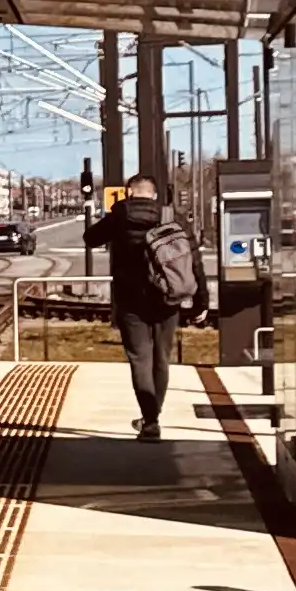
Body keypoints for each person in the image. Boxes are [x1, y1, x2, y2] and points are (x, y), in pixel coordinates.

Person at [84, 174, 211, 440]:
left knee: (140, 359)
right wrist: (201, 299)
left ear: (129, 193)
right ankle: (153, 414)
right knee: (161, 358)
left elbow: (90, 238)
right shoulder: (171, 216)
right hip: (168, 298)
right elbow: (193, 259)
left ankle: (151, 421)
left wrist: (112, 219)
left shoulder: (118, 216)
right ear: (154, 195)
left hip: (131, 300)